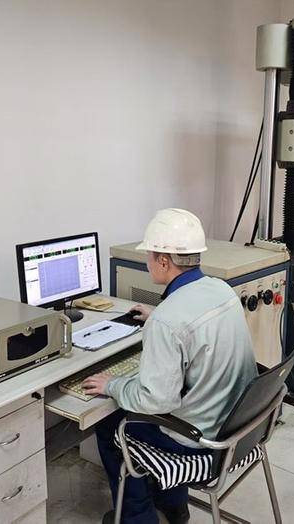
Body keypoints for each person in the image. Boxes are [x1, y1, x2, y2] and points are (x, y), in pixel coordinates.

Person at [83, 208, 258, 524]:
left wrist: (112, 384)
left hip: (201, 441)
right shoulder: (220, 289)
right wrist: (159, 319)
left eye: (149, 255)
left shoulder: (168, 320)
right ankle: (175, 507)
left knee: (109, 423)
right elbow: (194, 327)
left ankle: (137, 518)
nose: (147, 262)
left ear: (164, 261)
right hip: (238, 427)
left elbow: (156, 401)